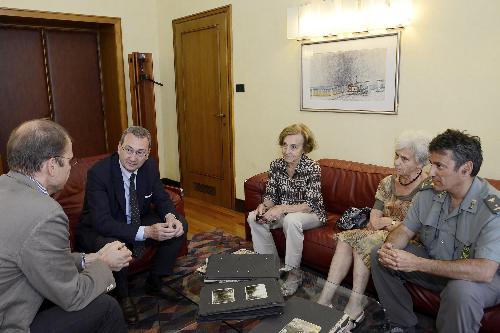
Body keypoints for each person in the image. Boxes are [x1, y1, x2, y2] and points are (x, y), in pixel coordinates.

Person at [0, 119, 131, 333]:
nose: (71, 166)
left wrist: (88, 259)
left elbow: (35, 256)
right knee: (106, 307)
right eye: (70, 160)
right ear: (52, 165)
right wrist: (104, 264)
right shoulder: (46, 214)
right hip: (9, 323)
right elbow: (73, 296)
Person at [371, 129, 500, 333]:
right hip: (437, 265)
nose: (430, 172)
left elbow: (484, 271)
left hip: (479, 280)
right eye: (431, 163)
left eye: (439, 166)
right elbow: (405, 229)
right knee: (380, 254)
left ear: (466, 169)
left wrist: (417, 263)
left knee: (460, 291)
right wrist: (391, 247)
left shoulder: (492, 207)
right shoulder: (430, 191)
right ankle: (401, 325)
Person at [317, 131, 431, 333]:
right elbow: (374, 220)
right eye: (396, 155)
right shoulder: (387, 182)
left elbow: (418, 229)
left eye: (404, 158)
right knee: (346, 240)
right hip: (379, 233)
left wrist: (389, 222)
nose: (397, 162)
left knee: (363, 242)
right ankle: (324, 299)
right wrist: (391, 222)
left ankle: (355, 304)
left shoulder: (428, 188)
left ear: (420, 164)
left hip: (409, 242)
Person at [76, 125, 188, 324]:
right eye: (128, 150)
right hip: (99, 228)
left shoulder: (150, 166)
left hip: (135, 218)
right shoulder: (99, 173)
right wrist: (146, 232)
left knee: (180, 225)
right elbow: (102, 222)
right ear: (119, 147)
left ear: (147, 154)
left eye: (140, 152)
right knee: (115, 245)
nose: (133, 158)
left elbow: (161, 198)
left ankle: (155, 279)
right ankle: (123, 296)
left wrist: (171, 216)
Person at [248, 123, 326, 296]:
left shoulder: (312, 168)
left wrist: (281, 208)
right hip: (287, 213)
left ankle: (293, 275)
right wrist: (264, 206)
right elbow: (270, 195)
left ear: (304, 149)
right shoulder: (277, 165)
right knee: (253, 217)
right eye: (284, 145)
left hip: (312, 214)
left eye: (293, 147)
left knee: (292, 220)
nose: (287, 151)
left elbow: (311, 204)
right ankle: (271, 269)